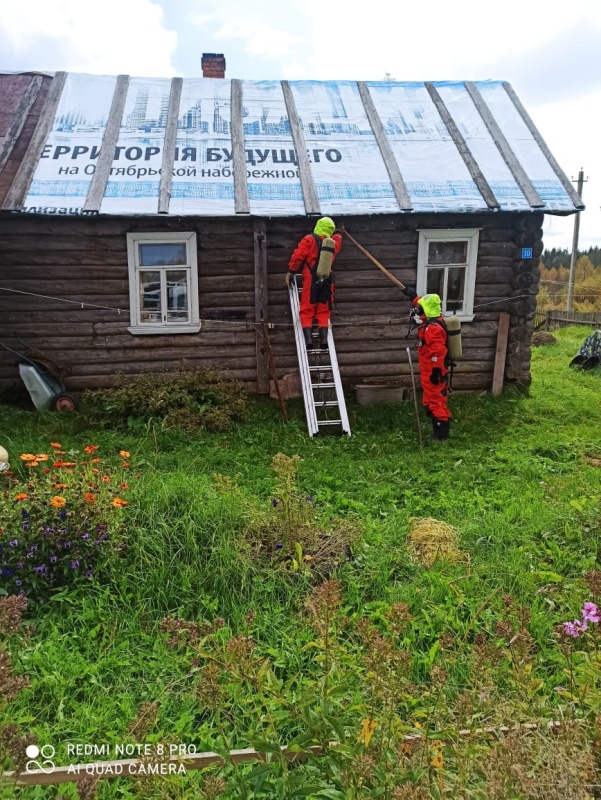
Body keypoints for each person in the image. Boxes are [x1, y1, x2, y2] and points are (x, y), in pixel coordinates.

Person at [286, 217, 343, 349]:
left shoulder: (309, 239)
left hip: (311, 278)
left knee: (307, 309)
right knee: (323, 310)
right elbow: (338, 238)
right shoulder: (334, 242)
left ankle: (309, 341)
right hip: (327, 279)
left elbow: (298, 256)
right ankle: (324, 341)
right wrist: (339, 232)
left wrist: (291, 271)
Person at [402, 288, 451, 440]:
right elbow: (425, 308)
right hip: (430, 369)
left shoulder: (432, 329)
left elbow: (438, 352)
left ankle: (440, 433)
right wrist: (414, 297)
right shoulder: (435, 320)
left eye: (421, 307)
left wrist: (436, 371)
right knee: (434, 399)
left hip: (433, 371)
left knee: (435, 399)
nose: (419, 310)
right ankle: (441, 427)